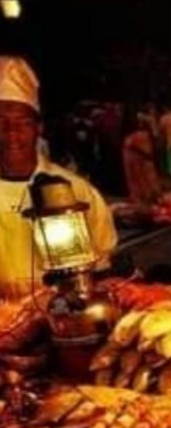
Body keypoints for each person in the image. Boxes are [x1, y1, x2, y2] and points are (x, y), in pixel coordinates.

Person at [0, 56, 117, 299]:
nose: (12, 132)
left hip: (65, 318)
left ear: (38, 128)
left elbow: (103, 267)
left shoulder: (76, 190)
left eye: (23, 121)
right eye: (1, 122)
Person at [122, 114, 161, 203]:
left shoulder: (143, 135)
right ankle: (142, 197)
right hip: (137, 160)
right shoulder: (134, 136)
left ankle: (149, 196)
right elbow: (132, 147)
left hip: (143, 160)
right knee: (139, 179)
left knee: (146, 179)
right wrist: (146, 154)